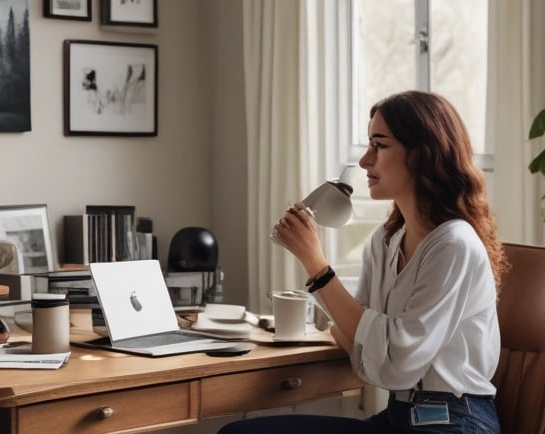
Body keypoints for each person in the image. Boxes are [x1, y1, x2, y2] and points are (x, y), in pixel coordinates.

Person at [218, 90, 508, 434]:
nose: (365, 160)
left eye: (380, 145)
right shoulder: (385, 242)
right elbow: (358, 336)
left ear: (422, 155)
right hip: (399, 418)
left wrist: (317, 266)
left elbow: (399, 362)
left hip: (454, 421)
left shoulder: (453, 244)